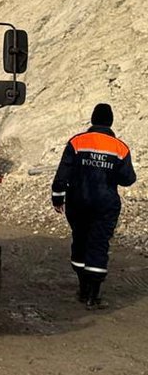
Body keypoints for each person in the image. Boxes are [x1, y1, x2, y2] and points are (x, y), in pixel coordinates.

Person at [51, 103, 136, 309]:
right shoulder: (120, 148)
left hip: (77, 202)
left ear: (92, 119)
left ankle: (82, 288)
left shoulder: (77, 142)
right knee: (98, 244)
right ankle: (93, 295)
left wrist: (57, 197)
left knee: (80, 240)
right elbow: (128, 179)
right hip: (105, 205)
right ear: (110, 122)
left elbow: (63, 173)